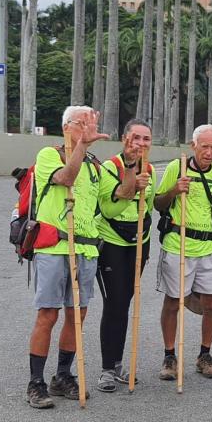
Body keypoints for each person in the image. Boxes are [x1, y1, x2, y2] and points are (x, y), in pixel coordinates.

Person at [27, 106, 113, 409]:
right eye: (82, 123)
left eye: (92, 124)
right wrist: (82, 146)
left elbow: (111, 204)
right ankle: (35, 382)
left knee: (76, 317)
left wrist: (131, 173)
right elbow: (65, 177)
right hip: (54, 248)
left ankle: (62, 376)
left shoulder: (94, 165)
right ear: (66, 127)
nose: (89, 128)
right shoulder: (49, 155)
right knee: (48, 315)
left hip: (86, 249)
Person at [155, 124, 212, 380]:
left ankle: (204, 355)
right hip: (179, 244)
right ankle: (169, 356)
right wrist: (175, 190)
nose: (208, 152)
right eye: (204, 146)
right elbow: (158, 203)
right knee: (174, 302)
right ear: (193, 145)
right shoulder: (178, 167)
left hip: (210, 246)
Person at [96, 119, 155, 392]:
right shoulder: (110, 167)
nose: (140, 144)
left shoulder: (151, 170)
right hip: (112, 244)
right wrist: (132, 177)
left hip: (138, 244)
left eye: (146, 139)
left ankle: (117, 364)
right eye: (136, 138)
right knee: (115, 304)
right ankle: (108, 368)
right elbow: (109, 209)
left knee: (125, 303)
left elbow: (150, 209)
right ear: (124, 139)